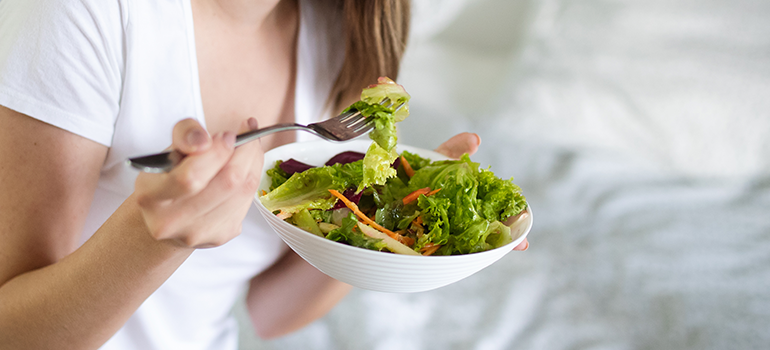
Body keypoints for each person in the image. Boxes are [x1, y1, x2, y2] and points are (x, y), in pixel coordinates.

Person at [0, 0, 528, 349]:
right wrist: (150, 238)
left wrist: (390, 229)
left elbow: (268, 314)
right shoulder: (87, 13)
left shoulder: (351, 31)